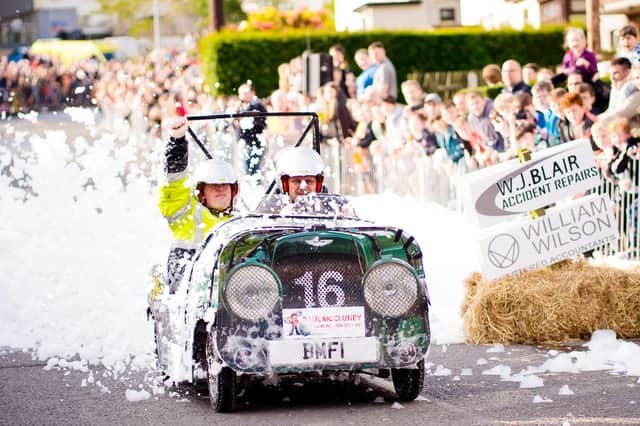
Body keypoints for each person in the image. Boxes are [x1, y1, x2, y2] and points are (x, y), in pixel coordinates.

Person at [158, 117, 239, 292]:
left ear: (233, 191)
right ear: (201, 193)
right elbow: (174, 180)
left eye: (224, 185)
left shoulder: (242, 221)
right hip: (185, 291)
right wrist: (177, 141)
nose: (220, 190)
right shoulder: (185, 213)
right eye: (213, 186)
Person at [237, 83, 268, 177]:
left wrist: (246, 124)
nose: (242, 95)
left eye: (245, 92)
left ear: (252, 92)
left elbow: (260, 123)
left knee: (253, 170)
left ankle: (255, 189)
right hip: (247, 142)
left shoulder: (256, 105)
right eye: (241, 93)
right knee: (248, 169)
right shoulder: (242, 106)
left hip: (254, 142)